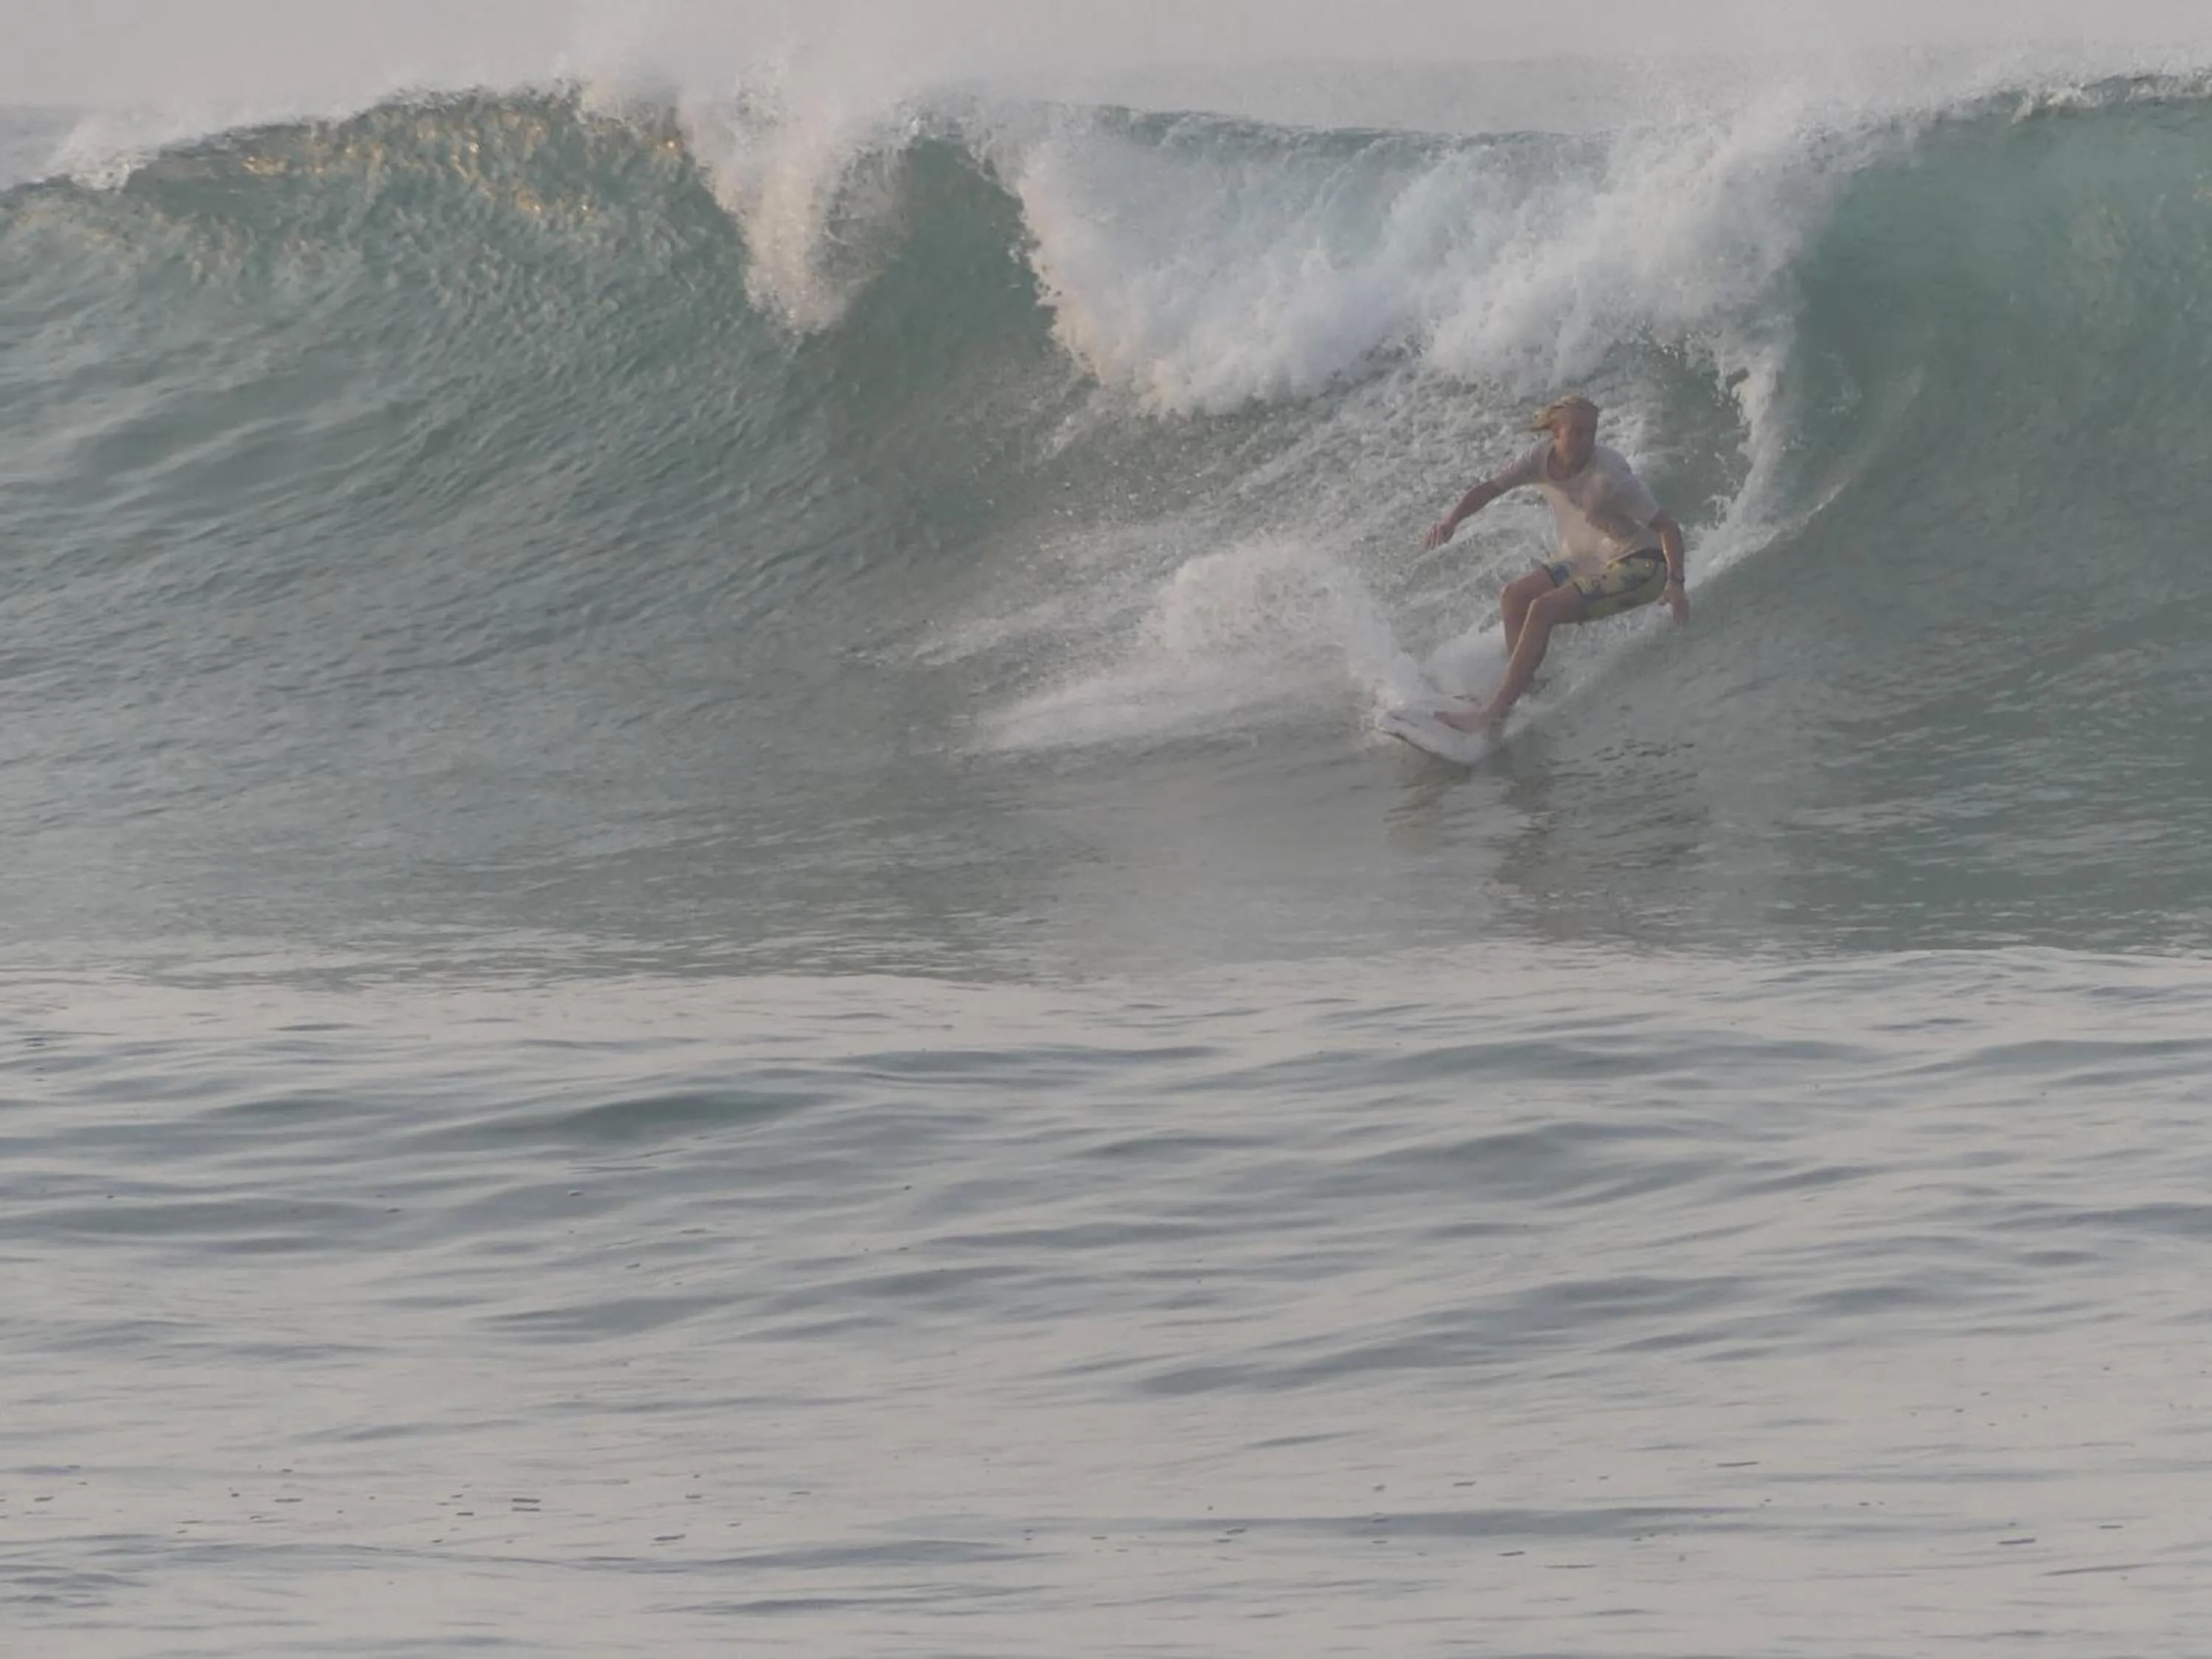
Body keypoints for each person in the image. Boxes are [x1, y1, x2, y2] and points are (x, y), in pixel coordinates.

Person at [1422, 394, 1688, 733]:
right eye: (1575, 432)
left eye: (1590, 432)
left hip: (1641, 567)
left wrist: (1676, 584)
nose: (1584, 440)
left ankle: (1494, 711)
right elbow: (1489, 489)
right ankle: (1524, 689)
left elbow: (1667, 527)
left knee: (1543, 609)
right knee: (1514, 597)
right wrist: (1450, 521)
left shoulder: (1611, 476)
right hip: (1587, 558)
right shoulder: (1539, 459)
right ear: (1554, 432)